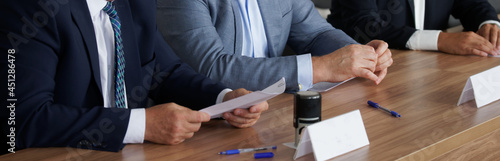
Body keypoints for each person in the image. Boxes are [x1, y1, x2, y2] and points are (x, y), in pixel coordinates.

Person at [0, 0, 268, 153]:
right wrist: (141, 124)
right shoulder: (31, 7)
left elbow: (165, 72)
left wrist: (226, 100)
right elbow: (23, 119)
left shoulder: (133, 3)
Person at [156, 0, 393, 92]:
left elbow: (316, 33)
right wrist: (321, 67)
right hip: (206, 123)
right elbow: (212, 68)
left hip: (275, 110)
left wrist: (360, 55)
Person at [328, 0, 500, 57]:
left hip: (429, 68)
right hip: (363, 72)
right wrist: (439, 40)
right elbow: (363, 26)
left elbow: (473, 4)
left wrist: (488, 24)